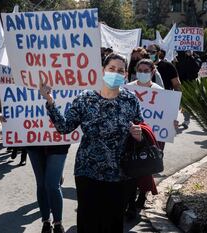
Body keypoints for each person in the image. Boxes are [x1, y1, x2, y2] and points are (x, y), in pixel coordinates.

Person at [40, 53, 144, 232]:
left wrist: (139, 133)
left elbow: (142, 128)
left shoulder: (130, 100)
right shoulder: (85, 98)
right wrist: (50, 101)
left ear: (126, 75)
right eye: (111, 69)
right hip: (87, 172)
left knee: (112, 224)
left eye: (120, 70)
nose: (116, 73)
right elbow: (65, 127)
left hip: (119, 175)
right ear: (103, 71)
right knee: (89, 222)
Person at [0, 117, 68, 233]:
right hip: (34, 143)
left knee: (52, 185)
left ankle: (58, 223)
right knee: (41, 184)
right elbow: (18, 109)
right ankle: (46, 221)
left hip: (58, 142)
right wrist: (9, 119)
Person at [125, 59, 162, 219]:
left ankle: (142, 195)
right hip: (132, 137)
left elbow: (166, 115)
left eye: (146, 70)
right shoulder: (127, 89)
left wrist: (173, 122)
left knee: (147, 167)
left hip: (153, 137)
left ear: (153, 72)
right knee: (132, 169)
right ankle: (131, 204)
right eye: (140, 70)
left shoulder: (160, 91)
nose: (143, 73)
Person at [175, 50, 202, 129]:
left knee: (186, 103)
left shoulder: (196, 57)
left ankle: (186, 120)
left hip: (190, 84)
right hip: (179, 82)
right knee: (177, 102)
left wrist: (191, 56)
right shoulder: (179, 55)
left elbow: (197, 68)